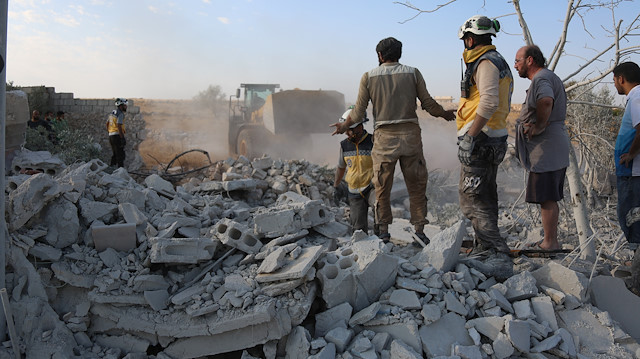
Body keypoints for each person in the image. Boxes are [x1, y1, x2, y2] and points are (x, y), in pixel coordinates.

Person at [331, 37, 455, 243]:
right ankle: (419, 230)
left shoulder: (368, 77)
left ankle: (384, 232)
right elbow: (428, 103)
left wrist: (344, 126)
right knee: (416, 186)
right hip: (411, 138)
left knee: (381, 187)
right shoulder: (413, 73)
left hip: (384, 139)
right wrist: (444, 114)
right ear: (400, 54)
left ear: (379, 56)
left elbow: (359, 111)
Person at [456, 15, 514, 277]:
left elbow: (488, 103)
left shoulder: (487, 63)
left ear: (470, 39)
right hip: (491, 137)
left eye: (465, 41)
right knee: (484, 195)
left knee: (474, 199)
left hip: (482, 138)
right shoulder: (495, 60)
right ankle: (485, 248)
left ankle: (496, 254)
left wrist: (471, 135)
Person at [514, 45, 570, 252]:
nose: (515, 65)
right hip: (550, 147)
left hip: (547, 148)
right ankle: (549, 240)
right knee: (547, 196)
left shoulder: (541, 78)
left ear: (530, 60)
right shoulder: (545, 77)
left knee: (546, 196)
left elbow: (545, 102)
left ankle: (550, 242)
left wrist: (539, 126)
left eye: (518, 60)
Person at [612, 61, 640, 295]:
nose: (614, 85)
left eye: (614, 80)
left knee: (632, 219)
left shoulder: (638, 96)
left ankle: (637, 284)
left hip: (633, 173)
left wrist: (630, 154)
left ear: (621, 78)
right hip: (630, 172)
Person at [334, 108, 375, 234]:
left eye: (349, 130)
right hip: (354, 190)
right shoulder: (344, 145)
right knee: (358, 230)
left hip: (372, 187)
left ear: (360, 127)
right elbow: (341, 167)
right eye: (345, 130)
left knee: (380, 207)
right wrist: (336, 186)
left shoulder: (373, 141)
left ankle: (382, 240)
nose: (347, 133)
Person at [106, 98, 128, 168]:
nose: (126, 106)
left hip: (111, 136)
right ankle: (120, 173)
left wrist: (110, 132)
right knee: (120, 155)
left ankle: (111, 169)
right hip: (117, 136)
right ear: (121, 105)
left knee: (115, 154)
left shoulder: (112, 113)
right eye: (125, 105)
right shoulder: (120, 114)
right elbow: (119, 125)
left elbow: (107, 123)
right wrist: (122, 138)